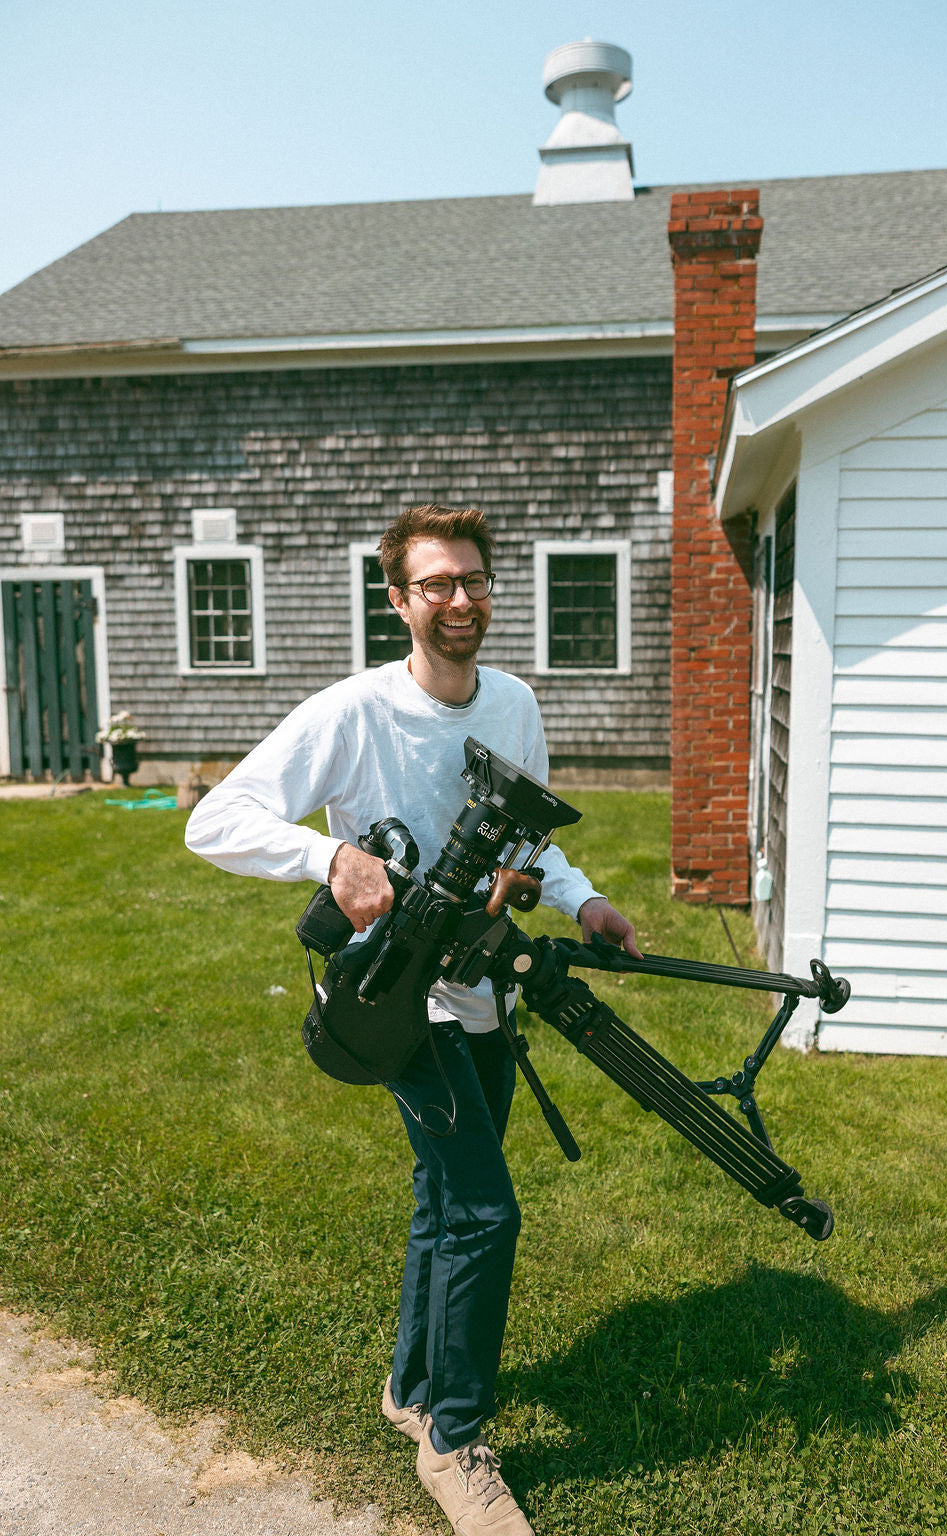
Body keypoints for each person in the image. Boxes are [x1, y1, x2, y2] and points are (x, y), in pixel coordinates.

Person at [184, 503, 639, 1536]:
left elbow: (530, 842)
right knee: (486, 1210)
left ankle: (409, 1388)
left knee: (445, 1199)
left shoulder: (514, 704)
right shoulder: (352, 713)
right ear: (398, 601)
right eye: (437, 583)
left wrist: (583, 899)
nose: (461, 598)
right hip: (395, 999)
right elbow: (216, 820)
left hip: (485, 993)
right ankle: (456, 1443)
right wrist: (329, 856)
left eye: (473, 579)